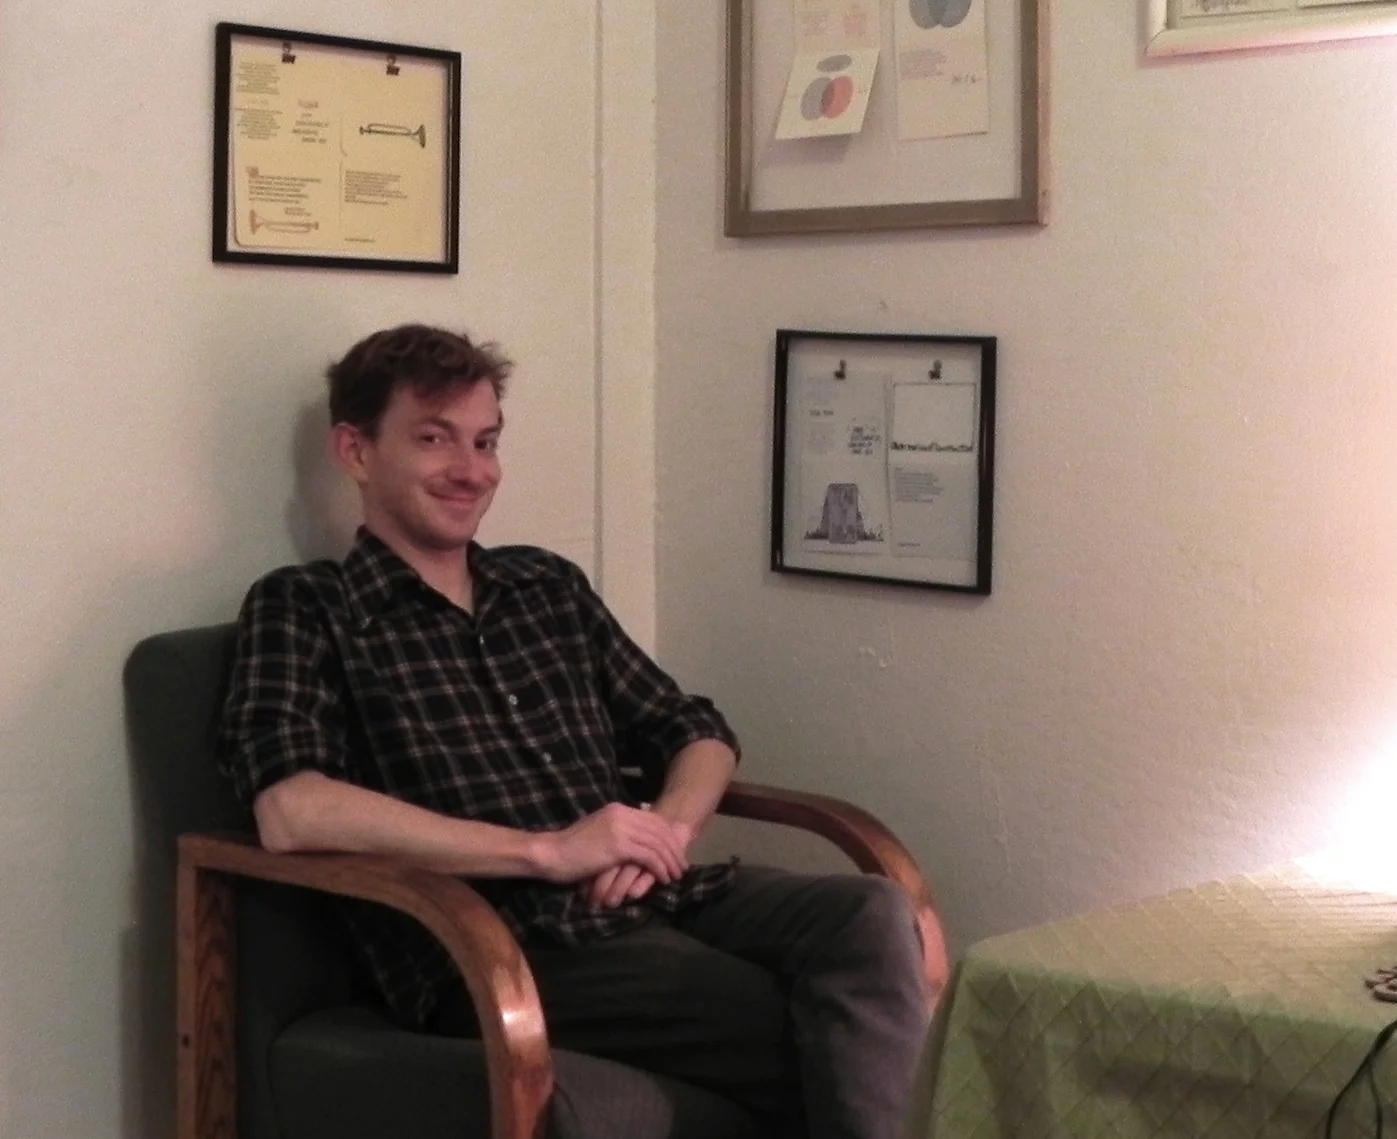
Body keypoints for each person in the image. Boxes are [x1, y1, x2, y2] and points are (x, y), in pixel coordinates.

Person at [217, 324, 925, 1139]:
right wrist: (550, 849)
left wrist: (665, 828)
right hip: (504, 940)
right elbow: (292, 808)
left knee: (870, 914)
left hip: (654, 893)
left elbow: (695, 728)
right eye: (434, 438)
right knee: (821, 1024)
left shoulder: (544, 584)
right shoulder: (306, 606)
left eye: (485, 440)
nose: (471, 469)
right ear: (355, 449)